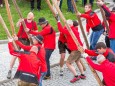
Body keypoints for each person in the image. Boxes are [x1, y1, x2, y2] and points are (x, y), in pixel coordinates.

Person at [7, 12, 38, 79]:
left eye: (30, 15)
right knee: (15, 55)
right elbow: (17, 25)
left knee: (26, 56)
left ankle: (23, 70)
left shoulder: (34, 23)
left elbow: (36, 31)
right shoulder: (23, 20)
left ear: (33, 17)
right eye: (28, 14)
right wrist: (19, 21)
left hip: (27, 41)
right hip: (19, 39)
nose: (29, 15)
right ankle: (10, 70)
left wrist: (32, 34)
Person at [56, 18, 86, 83]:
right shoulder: (74, 29)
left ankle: (76, 76)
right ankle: (82, 74)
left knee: (68, 63)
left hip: (75, 50)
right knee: (77, 61)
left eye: (66, 25)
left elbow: (61, 29)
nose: (65, 26)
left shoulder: (70, 31)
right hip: (79, 49)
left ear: (68, 25)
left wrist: (58, 21)